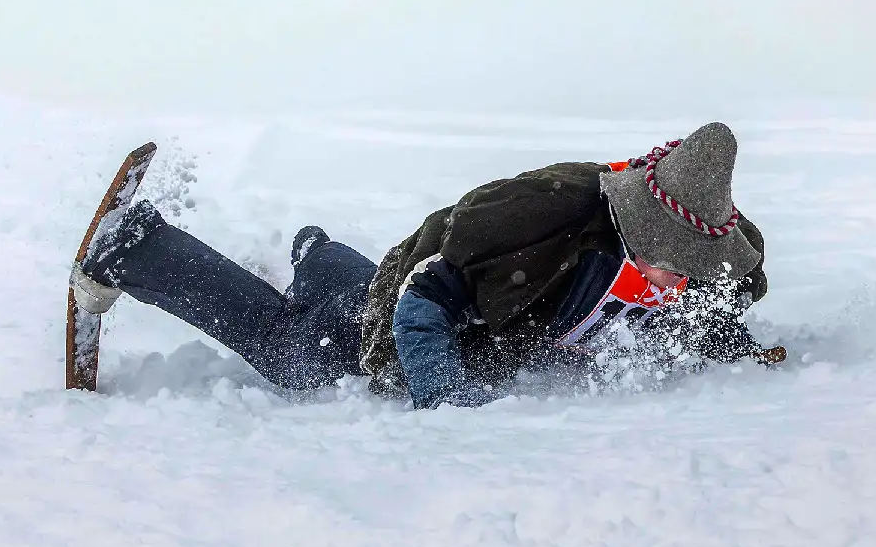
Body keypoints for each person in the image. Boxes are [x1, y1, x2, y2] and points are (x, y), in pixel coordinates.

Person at [70, 122, 783, 408]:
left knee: (341, 298)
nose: (674, 284)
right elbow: (424, 298)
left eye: (690, 270)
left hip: (418, 282)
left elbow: (702, 310)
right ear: (632, 230)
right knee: (304, 356)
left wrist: (745, 351)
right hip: (417, 301)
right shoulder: (543, 221)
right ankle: (137, 249)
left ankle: (317, 256)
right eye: (669, 266)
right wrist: (443, 398)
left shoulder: (686, 254)